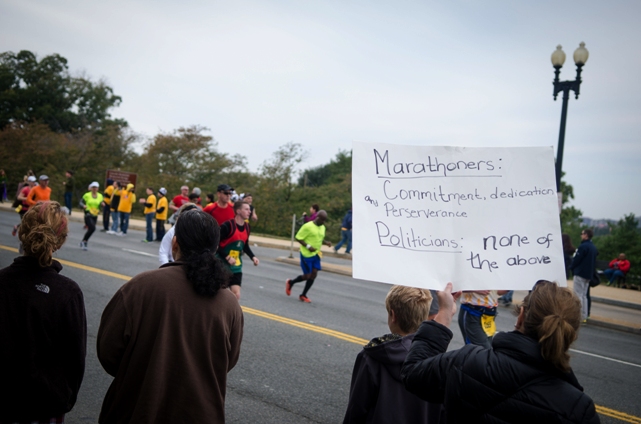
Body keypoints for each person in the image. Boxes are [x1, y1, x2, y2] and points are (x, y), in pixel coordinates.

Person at [97, 209, 243, 423]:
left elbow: (108, 351)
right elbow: (227, 361)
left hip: (136, 410)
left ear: (175, 243)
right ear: (213, 250)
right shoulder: (229, 304)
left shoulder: (140, 287)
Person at [401, 281, 599, 424]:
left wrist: (443, 314)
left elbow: (413, 374)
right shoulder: (580, 410)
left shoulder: (466, 363)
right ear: (571, 335)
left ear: (520, 317)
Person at [0, 201, 87, 423]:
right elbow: (75, 360)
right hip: (44, 407)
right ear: (60, 241)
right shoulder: (67, 292)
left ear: (22, 232)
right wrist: (64, 399)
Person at [343, 286, 443, 424]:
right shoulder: (438, 359)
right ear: (425, 317)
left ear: (393, 315)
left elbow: (357, 407)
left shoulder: (371, 357)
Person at [285, 210, 332, 303]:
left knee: (314, 274)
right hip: (306, 254)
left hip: (316, 254)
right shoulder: (307, 226)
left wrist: (326, 243)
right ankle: (290, 283)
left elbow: (319, 238)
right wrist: (308, 246)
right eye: (322, 220)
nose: (323, 222)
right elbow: (298, 237)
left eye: (325, 220)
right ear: (317, 218)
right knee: (307, 275)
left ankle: (303, 295)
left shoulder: (322, 227)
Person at [218, 201, 260, 300]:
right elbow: (215, 244)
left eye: (250, 209)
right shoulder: (227, 225)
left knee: (236, 295)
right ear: (238, 211)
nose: (249, 212)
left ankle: (230, 314)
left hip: (236, 265)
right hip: (221, 263)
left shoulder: (247, 227)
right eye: (246, 209)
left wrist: (252, 257)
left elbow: (245, 245)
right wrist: (227, 257)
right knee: (219, 293)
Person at [570, 229, 598, 321]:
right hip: (588, 274)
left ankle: (578, 315)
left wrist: (571, 267)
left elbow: (577, 259)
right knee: (584, 295)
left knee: (578, 294)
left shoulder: (583, 246)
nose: (581, 235)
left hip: (580, 272)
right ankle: (584, 315)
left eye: (582, 234)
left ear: (586, 235)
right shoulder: (593, 247)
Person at [79, 182, 105, 250]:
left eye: (96, 187)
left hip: (95, 214)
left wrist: (102, 204)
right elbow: (80, 202)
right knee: (93, 228)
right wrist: (83, 205)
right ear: (91, 188)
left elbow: (101, 203)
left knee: (91, 229)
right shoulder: (87, 195)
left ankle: (83, 241)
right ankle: (85, 242)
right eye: (93, 187)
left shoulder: (100, 196)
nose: (94, 189)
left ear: (98, 188)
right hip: (88, 213)